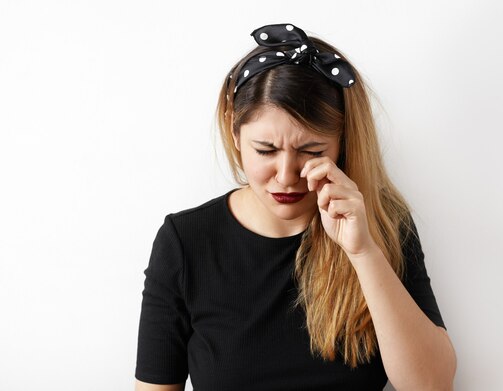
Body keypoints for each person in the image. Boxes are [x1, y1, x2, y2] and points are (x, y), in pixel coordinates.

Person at [134, 23, 456, 391]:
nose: (286, 176)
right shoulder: (185, 241)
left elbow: (433, 385)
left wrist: (363, 251)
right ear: (234, 131)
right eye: (266, 150)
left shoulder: (382, 223)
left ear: (342, 144)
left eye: (311, 152)